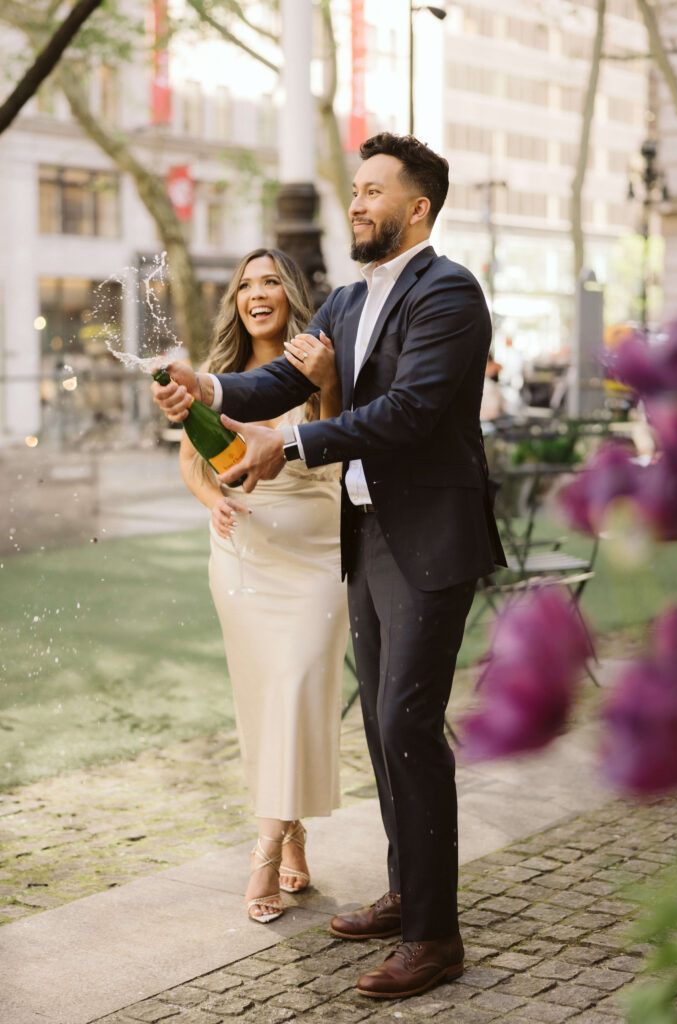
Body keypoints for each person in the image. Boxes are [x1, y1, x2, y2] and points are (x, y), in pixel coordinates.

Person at [152, 133, 506, 1000]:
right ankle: (406, 891)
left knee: (405, 728)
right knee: (385, 735)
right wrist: (204, 391)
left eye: (372, 191)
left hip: (429, 538)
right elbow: (269, 386)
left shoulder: (448, 292)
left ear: (415, 208)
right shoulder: (346, 301)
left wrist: (297, 442)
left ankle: (435, 936)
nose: (355, 203)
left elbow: (414, 410)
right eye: (352, 190)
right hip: (365, 539)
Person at [176, 248, 349, 925]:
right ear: (235, 303)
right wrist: (209, 502)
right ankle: (291, 831)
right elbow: (192, 465)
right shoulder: (216, 380)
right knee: (265, 700)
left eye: (270, 280)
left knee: (298, 685)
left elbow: (336, 433)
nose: (256, 293)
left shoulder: (315, 360)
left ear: (291, 293)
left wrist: (328, 379)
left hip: (317, 549)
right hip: (243, 555)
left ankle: (266, 846)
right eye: (244, 284)